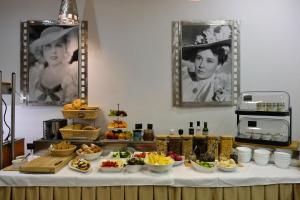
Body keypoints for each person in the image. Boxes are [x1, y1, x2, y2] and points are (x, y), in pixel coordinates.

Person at [181, 25, 232, 103]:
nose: (201, 65)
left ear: (219, 65)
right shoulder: (184, 78)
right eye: (199, 58)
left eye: (209, 61)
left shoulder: (217, 91)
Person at [29, 26, 79, 104]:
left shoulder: (75, 73)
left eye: (58, 45)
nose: (53, 51)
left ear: (66, 48)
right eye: (48, 46)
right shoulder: (35, 74)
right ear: (42, 50)